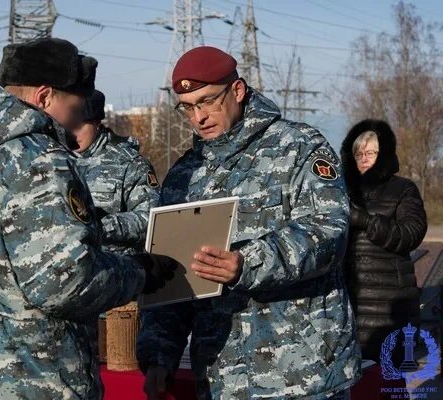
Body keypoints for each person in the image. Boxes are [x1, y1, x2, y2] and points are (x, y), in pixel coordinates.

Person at [0, 37, 175, 400]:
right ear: (44, 98)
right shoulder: (39, 161)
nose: (75, 123)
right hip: (37, 383)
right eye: (75, 107)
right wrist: (139, 272)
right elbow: (67, 284)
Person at [136, 46, 361, 400]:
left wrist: (247, 263)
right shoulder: (184, 176)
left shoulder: (299, 146)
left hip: (303, 373)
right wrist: (159, 354)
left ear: (237, 91)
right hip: (223, 378)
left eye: (208, 101)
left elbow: (329, 231)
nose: (199, 117)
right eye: (188, 107)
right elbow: (171, 278)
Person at [340, 119, 427, 363]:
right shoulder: (341, 189)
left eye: (370, 152)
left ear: (384, 154)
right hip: (348, 302)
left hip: (390, 305)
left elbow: (411, 234)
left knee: (389, 380)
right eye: (359, 153)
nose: (364, 158)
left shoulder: (403, 189)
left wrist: (366, 221)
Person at [73, 89, 160, 254]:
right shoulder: (57, 160)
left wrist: (103, 226)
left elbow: (151, 220)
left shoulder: (129, 163)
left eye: (80, 125)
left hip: (117, 269)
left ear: (97, 123)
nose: (73, 133)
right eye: (68, 125)